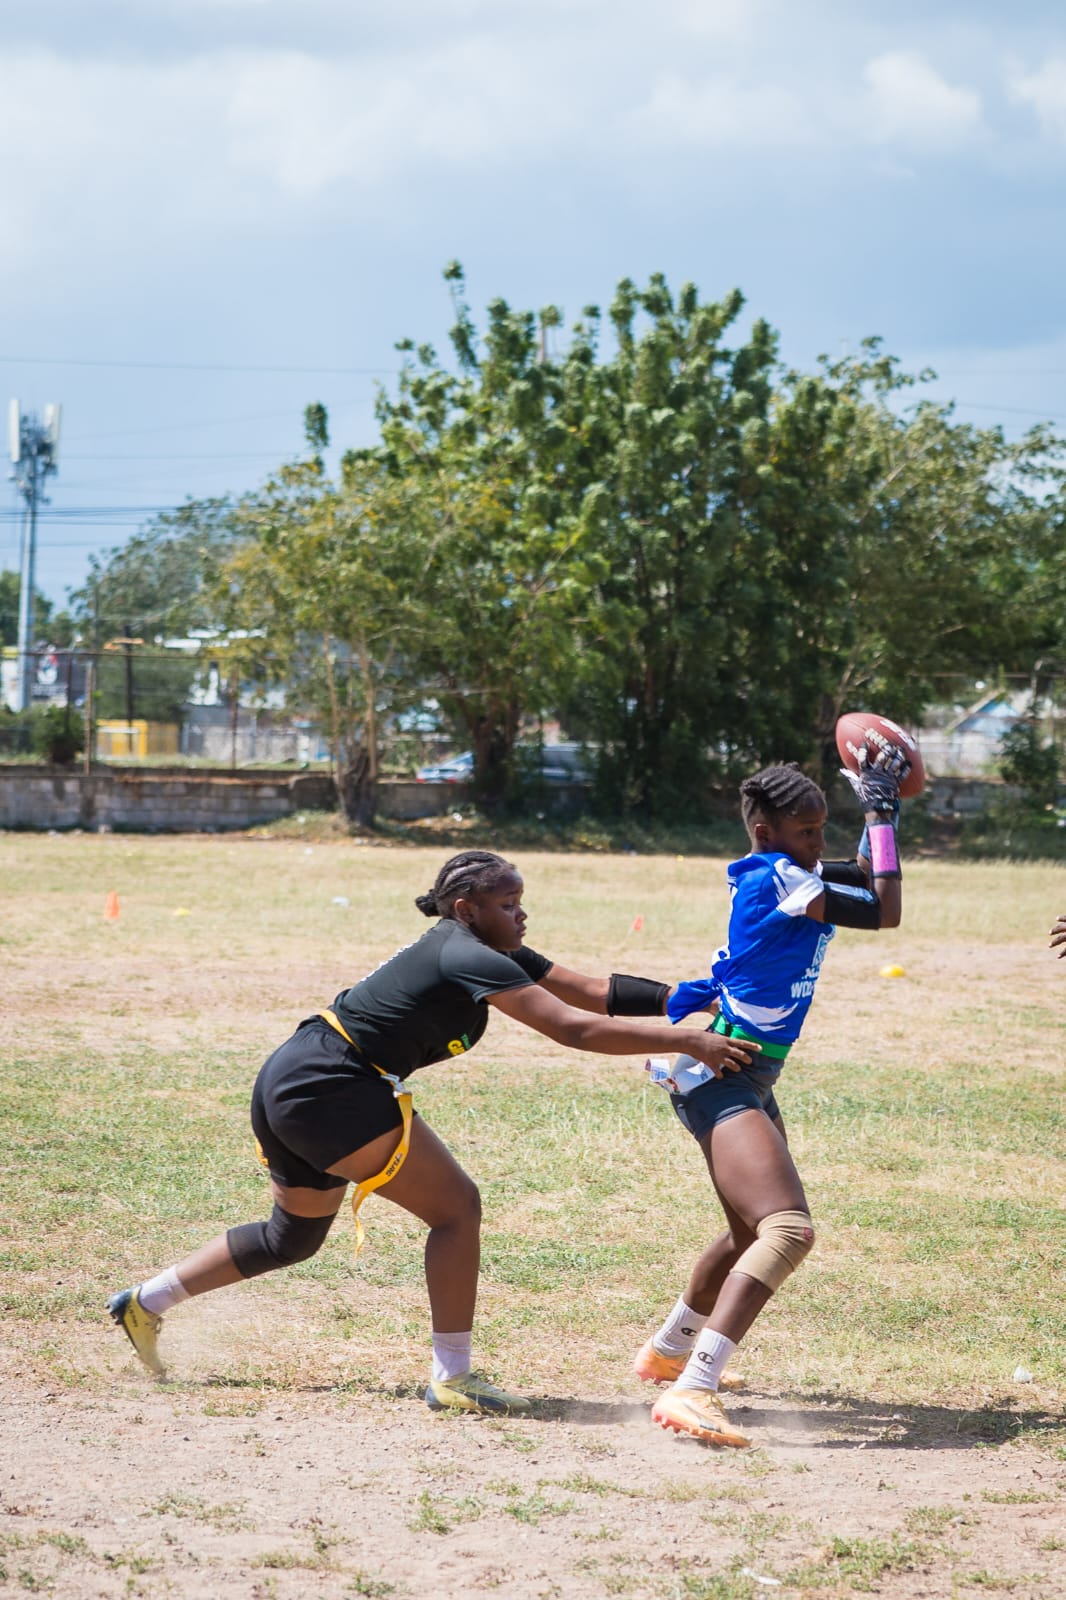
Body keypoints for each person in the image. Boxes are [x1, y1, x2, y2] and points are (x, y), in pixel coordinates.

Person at [108, 848, 755, 1416]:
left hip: (296, 1076)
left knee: (291, 1238)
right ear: (467, 909)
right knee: (456, 1209)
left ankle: (146, 1300)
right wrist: (687, 1041)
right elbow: (572, 1028)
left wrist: (687, 997)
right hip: (332, 1085)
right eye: (509, 904)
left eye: (521, 901)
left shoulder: (484, 947)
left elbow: (587, 990)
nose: (522, 914)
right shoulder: (466, 953)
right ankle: (452, 1377)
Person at [632, 746, 909, 1448]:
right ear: (766, 832)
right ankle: (693, 1389)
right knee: (788, 1232)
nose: (818, 842)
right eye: (807, 832)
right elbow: (885, 910)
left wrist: (880, 815)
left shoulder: (791, 869)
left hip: (745, 1071)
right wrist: (881, 815)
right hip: (722, 1071)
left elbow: (865, 875)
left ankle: (669, 1353)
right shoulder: (781, 877)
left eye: (822, 829)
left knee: (749, 1233)